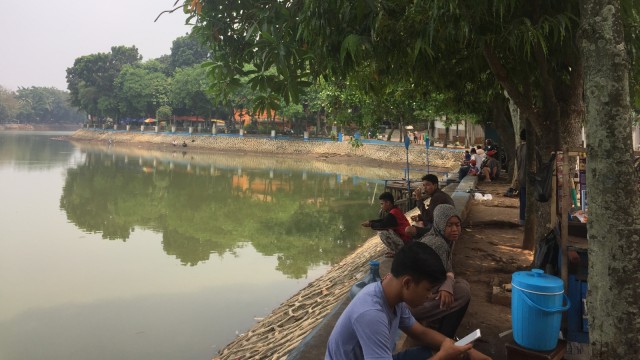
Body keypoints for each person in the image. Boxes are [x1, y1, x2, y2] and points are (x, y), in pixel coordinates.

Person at [325, 242, 490, 360]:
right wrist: (442, 357)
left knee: (431, 352)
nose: (429, 297)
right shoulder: (371, 314)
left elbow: (420, 332)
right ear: (408, 283)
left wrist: (460, 348)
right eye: (427, 290)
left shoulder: (394, 297)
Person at [412, 204, 471, 339]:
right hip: (413, 303)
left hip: (424, 294)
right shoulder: (437, 244)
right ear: (439, 224)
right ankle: (445, 338)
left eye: (457, 225)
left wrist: (448, 282)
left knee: (461, 285)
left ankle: (442, 333)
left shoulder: (445, 240)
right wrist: (447, 284)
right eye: (449, 225)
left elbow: (448, 269)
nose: (455, 229)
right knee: (463, 292)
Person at [362, 192, 412, 257]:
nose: (381, 206)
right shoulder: (395, 210)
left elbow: (382, 225)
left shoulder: (393, 213)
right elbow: (383, 220)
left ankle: (398, 251)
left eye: (382, 204)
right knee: (384, 229)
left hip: (406, 241)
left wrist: (371, 224)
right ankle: (397, 250)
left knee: (382, 232)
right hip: (407, 240)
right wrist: (370, 222)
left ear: (388, 203)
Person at [406, 174, 454, 238]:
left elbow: (427, 217)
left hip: (441, 230)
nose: (425, 188)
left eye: (427, 185)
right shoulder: (439, 195)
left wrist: (418, 199)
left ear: (435, 185)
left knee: (409, 229)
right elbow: (431, 215)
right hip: (442, 225)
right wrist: (419, 217)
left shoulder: (437, 197)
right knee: (419, 222)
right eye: (424, 185)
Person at [516, 129, 527, 225]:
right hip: (530, 178)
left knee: (523, 199)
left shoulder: (518, 148)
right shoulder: (533, 148)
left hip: (521, 176)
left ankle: (522, 219)